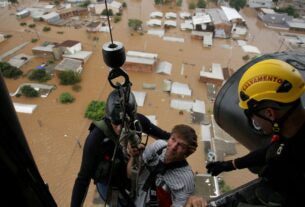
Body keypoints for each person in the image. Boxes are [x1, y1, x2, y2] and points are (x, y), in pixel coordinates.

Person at [206, 59, 305, 206]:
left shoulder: (294, 160)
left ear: (270, 114)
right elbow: (270, 151)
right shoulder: (290, 132)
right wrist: (230, 165)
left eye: (250, 114)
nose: (255, 122)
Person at [71, 89, 171, 207]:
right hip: (110, 185)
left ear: (133, 117)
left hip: (132, 178)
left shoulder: (138, 123)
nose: (119, 128)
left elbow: (165, 136)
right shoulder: (95, 139)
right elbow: (83, 179)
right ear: (109, 118)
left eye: (125, 123)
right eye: (115, 122)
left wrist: (183, 141)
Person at [127, 124, 198, 207]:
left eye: (181, 145)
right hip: (133, 199)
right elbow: (131, 175)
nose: (173, 147)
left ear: (187, 153)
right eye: (173, 139)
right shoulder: (158, 147)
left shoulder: (186, 180)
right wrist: (134, 156)